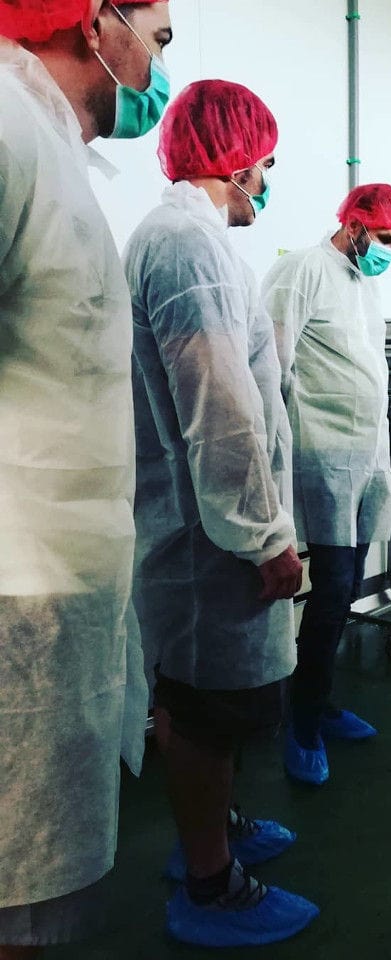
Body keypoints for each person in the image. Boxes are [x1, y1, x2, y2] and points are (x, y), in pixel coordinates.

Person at [124, 79, 319, 948]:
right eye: (266, 165)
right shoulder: (186, 247)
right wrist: (264, 534)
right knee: (203, 705)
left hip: (208, 527)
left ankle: (216, 830)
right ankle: (208, 884)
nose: (267, 183)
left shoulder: (197, 243)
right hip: (209, 538)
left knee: (208, 699)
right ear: (238, 161)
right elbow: (219, 406)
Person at [0, 2, 172, 957]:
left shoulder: (52, 148)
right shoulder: (5, 121)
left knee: (34, 890)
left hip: (54, 595)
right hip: (14, 593)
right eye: (158, 32)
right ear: (93, 19)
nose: (156, 62)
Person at [262, 183, 391, 785]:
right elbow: (267, 365)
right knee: (328, 594)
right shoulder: (301, 271)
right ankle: (301, 724)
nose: (389, 251)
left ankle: (317, 702)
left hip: (362, 455)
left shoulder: (362, 284)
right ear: (355, 227)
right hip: (321, 457)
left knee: (342, 588)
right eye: (386, 239)